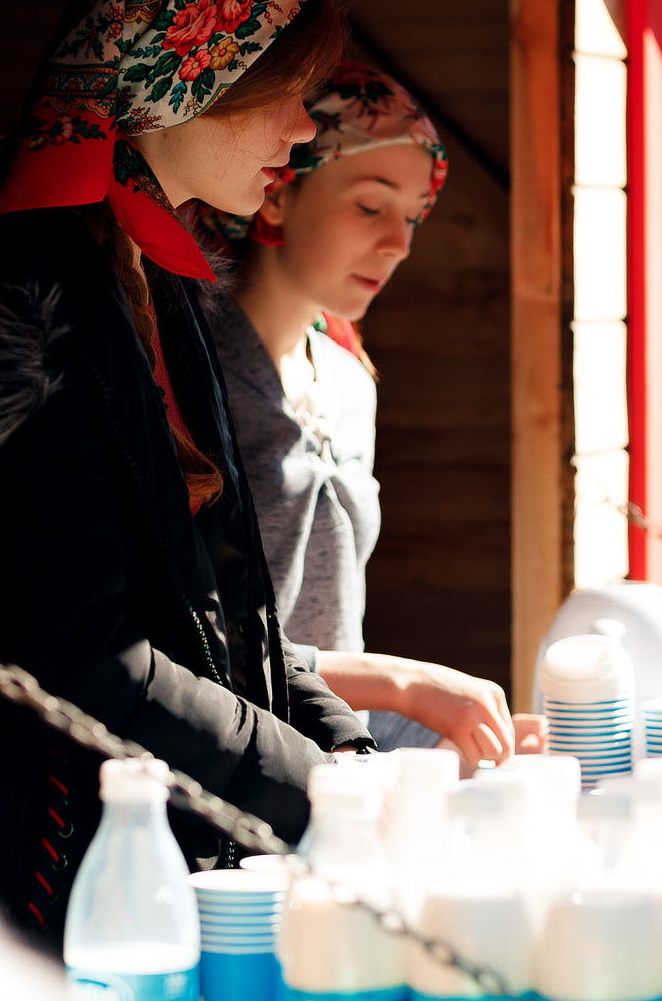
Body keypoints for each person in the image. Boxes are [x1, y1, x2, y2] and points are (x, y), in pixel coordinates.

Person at [0, 0, 371, 946]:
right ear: (184, 71)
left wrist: (346, 756)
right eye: (281, 89)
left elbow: (223, 607)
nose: (303, 130)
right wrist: (317, 788)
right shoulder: (28, 289)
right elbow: (77, 650)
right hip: (70, 882)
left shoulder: (157, 266)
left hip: (166, 848)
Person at [202, 61, 516, 767]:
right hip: (229, 773)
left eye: (413, 215)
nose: (400, 244)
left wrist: (454, 741)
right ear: (276, 192)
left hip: (342, 769)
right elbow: (194, 644)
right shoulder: (190, 375)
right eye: (371, 206)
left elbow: (343, 671)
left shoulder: (349, 384)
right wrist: (408, 687)